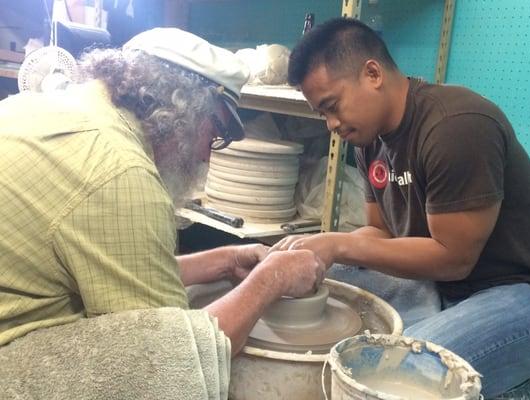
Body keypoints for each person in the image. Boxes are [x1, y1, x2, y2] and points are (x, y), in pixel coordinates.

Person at [0, 28, 325, 398]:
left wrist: (222, 260)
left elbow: (102, 265)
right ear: (181, 109)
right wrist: (272, 279)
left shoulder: (53, 107)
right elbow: (166, 359)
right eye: (215, 131)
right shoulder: (120, 171)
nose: (207, 155)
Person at [273, 17, 530, 398]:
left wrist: (339, 243)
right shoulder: (369, 141)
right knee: (323, 283)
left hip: (513, 288)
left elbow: (453, 258)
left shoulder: (456, 127)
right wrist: (316, 251)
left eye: (332, 106)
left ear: (373, 73)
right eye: (321, 114)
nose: (331, 124)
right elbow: (381, 233)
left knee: (390, 370)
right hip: (441, 282)